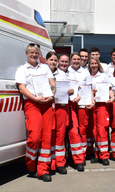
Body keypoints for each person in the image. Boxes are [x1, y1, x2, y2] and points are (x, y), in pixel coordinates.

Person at [15, 44, 55, 182]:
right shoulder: (22, 69)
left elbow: (52, 83)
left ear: (39, 54)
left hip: (48, 104)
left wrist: (52, 95)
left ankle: (43, 169)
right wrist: (35, 98)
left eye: (36, 53)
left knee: (47, 137)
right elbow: (22, 88)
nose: (34, 55)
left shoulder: (45, 67)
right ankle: (31, 166)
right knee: (35, 137)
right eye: (31, 52)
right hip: (32, 104)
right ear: (27, 53)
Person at [68, 52, 94, 162]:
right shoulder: (66, 71)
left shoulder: (85, 72)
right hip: (70, 103)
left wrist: (92, 102)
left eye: (78, 59)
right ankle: (71, 154)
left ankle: (82, 154)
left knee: (82, 129)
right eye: (74, 59)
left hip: (83, 104)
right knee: (72, 130)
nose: (76, 61)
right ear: (71, 60)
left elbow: (90, 88)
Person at [89, 56, 114, 165]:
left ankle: (104, 156)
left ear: (98, 64)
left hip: (102, 106)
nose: (93, 65)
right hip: (90, 105)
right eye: (91, 63)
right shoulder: (86, 76)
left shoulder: (103, 76)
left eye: (95, 63)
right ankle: (97, 154)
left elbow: (109, 89)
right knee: (94, 130)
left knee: (102, 130)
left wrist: (112, 97)